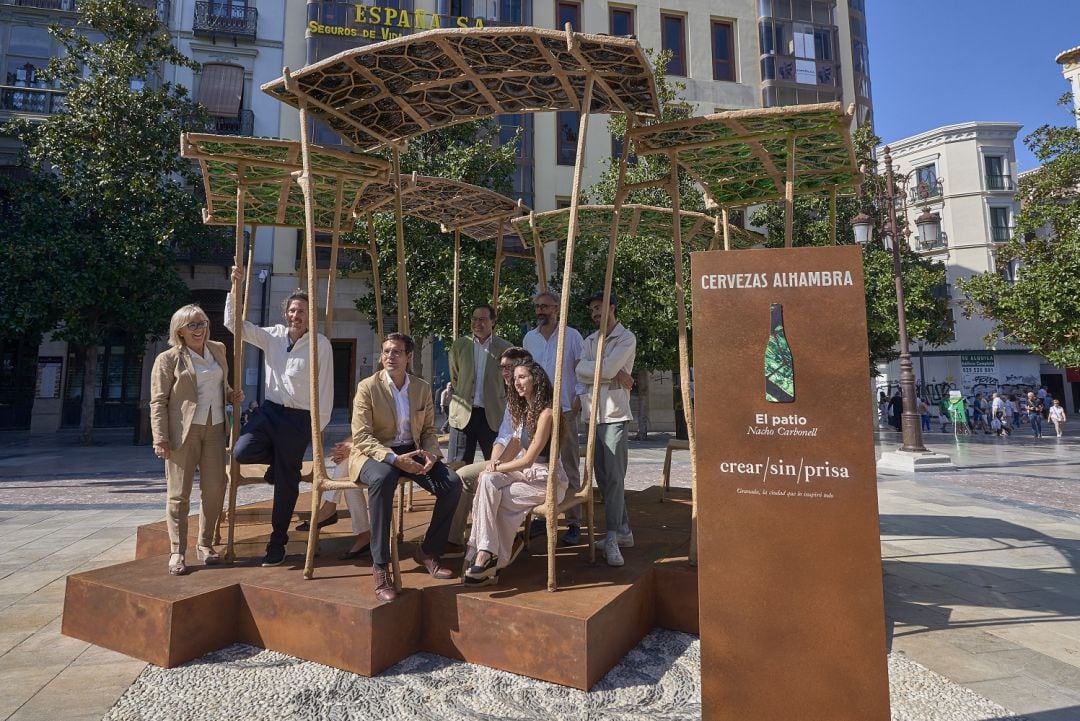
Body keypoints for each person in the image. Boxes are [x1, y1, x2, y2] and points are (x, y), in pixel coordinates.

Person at [225, 267, 334, 567]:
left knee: (287, 483)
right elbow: (235, 325)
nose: (295, 315)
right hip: (269, 411)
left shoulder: (320, 344)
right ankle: (276, 462)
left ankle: (277, 541)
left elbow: (325, 387)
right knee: (242, 451)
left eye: (301, 311)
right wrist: (237, 286)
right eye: (292, 310)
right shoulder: (272, 336)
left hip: (299, 419)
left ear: (310, 315)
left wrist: (317, 427)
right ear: (285, 312)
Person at [350, 333, 462, 603]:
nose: (390, 356)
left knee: (452, 483)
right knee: (384, 479)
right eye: (386, 351)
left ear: (409, 357)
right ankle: (380, 567)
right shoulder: (367, 387)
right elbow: (362, 436)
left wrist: (432, 455)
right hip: (373, 453)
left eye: (397, 352)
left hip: (412, 449)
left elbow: (428, 430)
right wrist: (393, 459)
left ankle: (428, 551)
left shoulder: (421, 388)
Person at [150, 304, 243, 576]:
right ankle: (177, 550)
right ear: (179, 330)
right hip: (183, 432)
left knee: (215, 487)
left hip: (215, 429)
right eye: (192, 325)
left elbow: (219, 383)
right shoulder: (168, 359)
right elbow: (158, 401)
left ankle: (205, 544)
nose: (199, 329)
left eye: (202, 323)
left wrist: (229, 394)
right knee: (179, 494)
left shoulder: (218, 349)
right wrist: (160, 438)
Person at [464, 361, 568, 586]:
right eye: (515, 378)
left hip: (545, 480)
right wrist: (494, 464)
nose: (516, 383)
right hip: (525, 476)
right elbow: (512, 446)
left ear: (536, 379)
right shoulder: (525, 410)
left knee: (493, 498)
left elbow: (529, 459)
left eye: (522, 377)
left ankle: (488, 559)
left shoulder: (547, 413)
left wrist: (496, 468)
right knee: (487, 481)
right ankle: (487, 554)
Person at [446, 346, 533, 557]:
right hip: (507, 462)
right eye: (502, 368)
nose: (505, 372)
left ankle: (497, 544)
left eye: (509, 368)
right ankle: (454, 539)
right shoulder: (511, 398)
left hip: (527, 466)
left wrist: (496, 468)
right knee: (461, 476)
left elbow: (519, 443)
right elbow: (503, 437)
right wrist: (494, 462)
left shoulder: (534, 399)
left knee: (482, 480)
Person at [576, 291, 636, 567]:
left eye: (599, 308)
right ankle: (623, 531)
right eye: (592, 310)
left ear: (612, 308)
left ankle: (612, 536)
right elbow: (579, 370)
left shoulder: (625, 338)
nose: (595, 313)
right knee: (602, 475)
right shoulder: (590, 340)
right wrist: (610, 373)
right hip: (592, 416)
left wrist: (604, 372)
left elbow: (609, 370)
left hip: (613, 414)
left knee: (614, 476)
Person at [523, 290, 586, 545]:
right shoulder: (530, 338)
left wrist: (578, 397)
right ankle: (541, 516)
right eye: (538, 306)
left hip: (564, 409)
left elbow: (581, 369)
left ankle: (573, 522)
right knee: (539, 465)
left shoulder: (571, 336)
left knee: (569, 465)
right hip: (537, 412)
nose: (541, 311)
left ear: (557, 309)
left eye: (546, 307)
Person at [448, 304, 513, 463]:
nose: (478, 323)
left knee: (496, 465)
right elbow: (455, 377)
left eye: (483, 319)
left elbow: (509, 382)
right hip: (463, 413)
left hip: (492, 415)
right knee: (458, 467)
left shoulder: (505, 348)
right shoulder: (460, 345)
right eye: (474, 319)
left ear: (493, 321)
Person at [294, 438, 371, 559]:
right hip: (370, 447)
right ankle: (364, 536)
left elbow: (386, 434)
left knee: (348, 463)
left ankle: (328, 510)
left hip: (395, 452)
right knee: (347, 465)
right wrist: (344, 448)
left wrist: (354, 448)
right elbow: (361, 428)